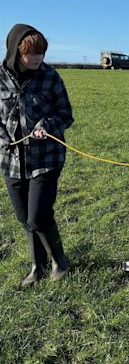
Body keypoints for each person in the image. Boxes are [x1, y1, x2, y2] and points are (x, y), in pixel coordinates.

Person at [0, 24, 74, 286]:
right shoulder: (0, 78)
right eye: (32, 53)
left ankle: (60, 263)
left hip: (46, 160)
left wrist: (47, 125)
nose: (38, 58)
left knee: (38, 216)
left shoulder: (50, 77)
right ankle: (38, 268)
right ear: (16, 51)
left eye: (41, 52)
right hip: (11, 161)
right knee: (24, 219)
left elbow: (66, 114)